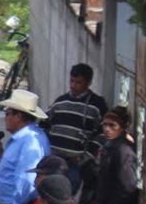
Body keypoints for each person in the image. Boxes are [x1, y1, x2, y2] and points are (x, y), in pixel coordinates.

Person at [45, 63, 108, 194]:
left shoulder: (97, 104)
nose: (73, 86)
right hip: (56, 159)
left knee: (68, 195)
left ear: (88, 82)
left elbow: (103, 133)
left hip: (76, 163)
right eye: (71, 81)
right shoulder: (60, 101)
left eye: (78, 82)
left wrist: (86, 156)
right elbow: (45, 123)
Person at [0, 89, 51, 204]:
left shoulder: (30, 141)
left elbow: (27, 181)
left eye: (7, 113)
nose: (5, 118)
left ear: (18, 116)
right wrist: (0, 153)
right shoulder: (24, 138)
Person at [95, 105, 139, 204]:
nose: (107, 129)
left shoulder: (123, 150)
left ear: (122, 127)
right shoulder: (110, 145)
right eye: (105, 125)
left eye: (112, 125)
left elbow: (127, 184)